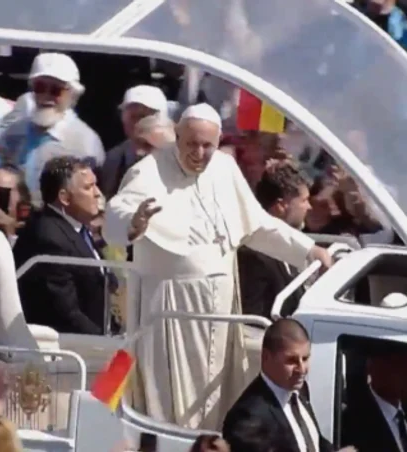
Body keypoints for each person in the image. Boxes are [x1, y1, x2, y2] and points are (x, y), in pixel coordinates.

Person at [104, 103, 332, 428]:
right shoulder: (149, 170)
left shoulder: (225, 169)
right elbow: (116, 213)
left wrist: (309, 250)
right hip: (174, 313)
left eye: (207, 145)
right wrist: (133, 223)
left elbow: (257, 226)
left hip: (222, 311)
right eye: (190, 144)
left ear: (218, 141)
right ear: (177, 137)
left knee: (215, 405)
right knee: (174, 407)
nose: (198, 153)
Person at [0, 52, 105, 205]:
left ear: (72, 94)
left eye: (56, 90)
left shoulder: (85, 141)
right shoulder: (14, 131)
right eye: (39, 87)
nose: (46, 96)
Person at [13, 156, 106, 334]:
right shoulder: (49, 238)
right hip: (74, 349)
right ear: (64, 197)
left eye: (96, 184)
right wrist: (108, 341)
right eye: (88, 187)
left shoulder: (76, 228)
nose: (97, 193)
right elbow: (66, 312)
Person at [222, 319, 343, 452]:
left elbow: (315, 440)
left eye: (305, 358)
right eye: (291, 361)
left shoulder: (299, 391)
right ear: (266, 357)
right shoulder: (246, 418)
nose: (302, 369)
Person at [238, 160, 312, 318]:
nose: (309, 207)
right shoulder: (254, 256)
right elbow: (252, 321)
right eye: (304, 200)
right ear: (281, 206)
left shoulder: (291, 248)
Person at [100, 85, 170, 199]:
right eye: (132, 117)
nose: (138, 123)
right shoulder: (114, 158)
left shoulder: (176, 158)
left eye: (143, 117)